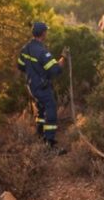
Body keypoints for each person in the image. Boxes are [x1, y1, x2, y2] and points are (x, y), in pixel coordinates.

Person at [17, 22, 69, 154]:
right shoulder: (42, 51)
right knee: (50, 110)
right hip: (41, 87)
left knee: (41, 109)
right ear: (43, 33)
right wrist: (64, 57)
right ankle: (49, 144)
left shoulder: (26, 48)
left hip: (31, 86)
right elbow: (55, 70)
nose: (47, 33)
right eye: (46, 31)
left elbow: (21, 66)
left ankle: (40, 135)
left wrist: (33, 73)